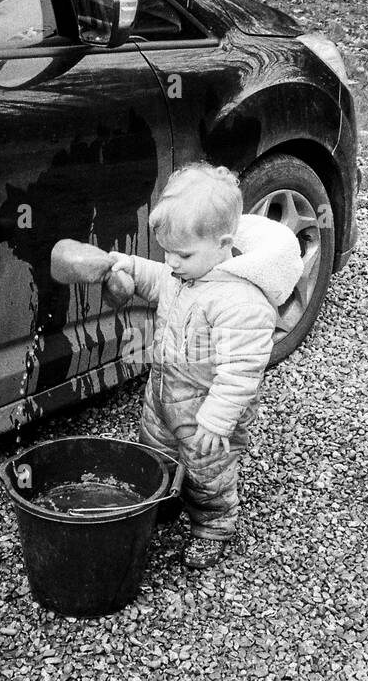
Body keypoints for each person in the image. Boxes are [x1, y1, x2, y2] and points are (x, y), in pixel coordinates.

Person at [107, 163, 303, 568]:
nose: (172, 261)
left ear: (223, 243)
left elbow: (241, 372)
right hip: (166, 392)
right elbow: (157, 278)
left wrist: (216, 420)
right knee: (155, 447)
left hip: (208, 408)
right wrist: (129, 266)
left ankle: (214, 524)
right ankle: (163, 498)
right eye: (167, 251)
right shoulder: (185, 272)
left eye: (182, 254)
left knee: (207, 470)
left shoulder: (240, 302)